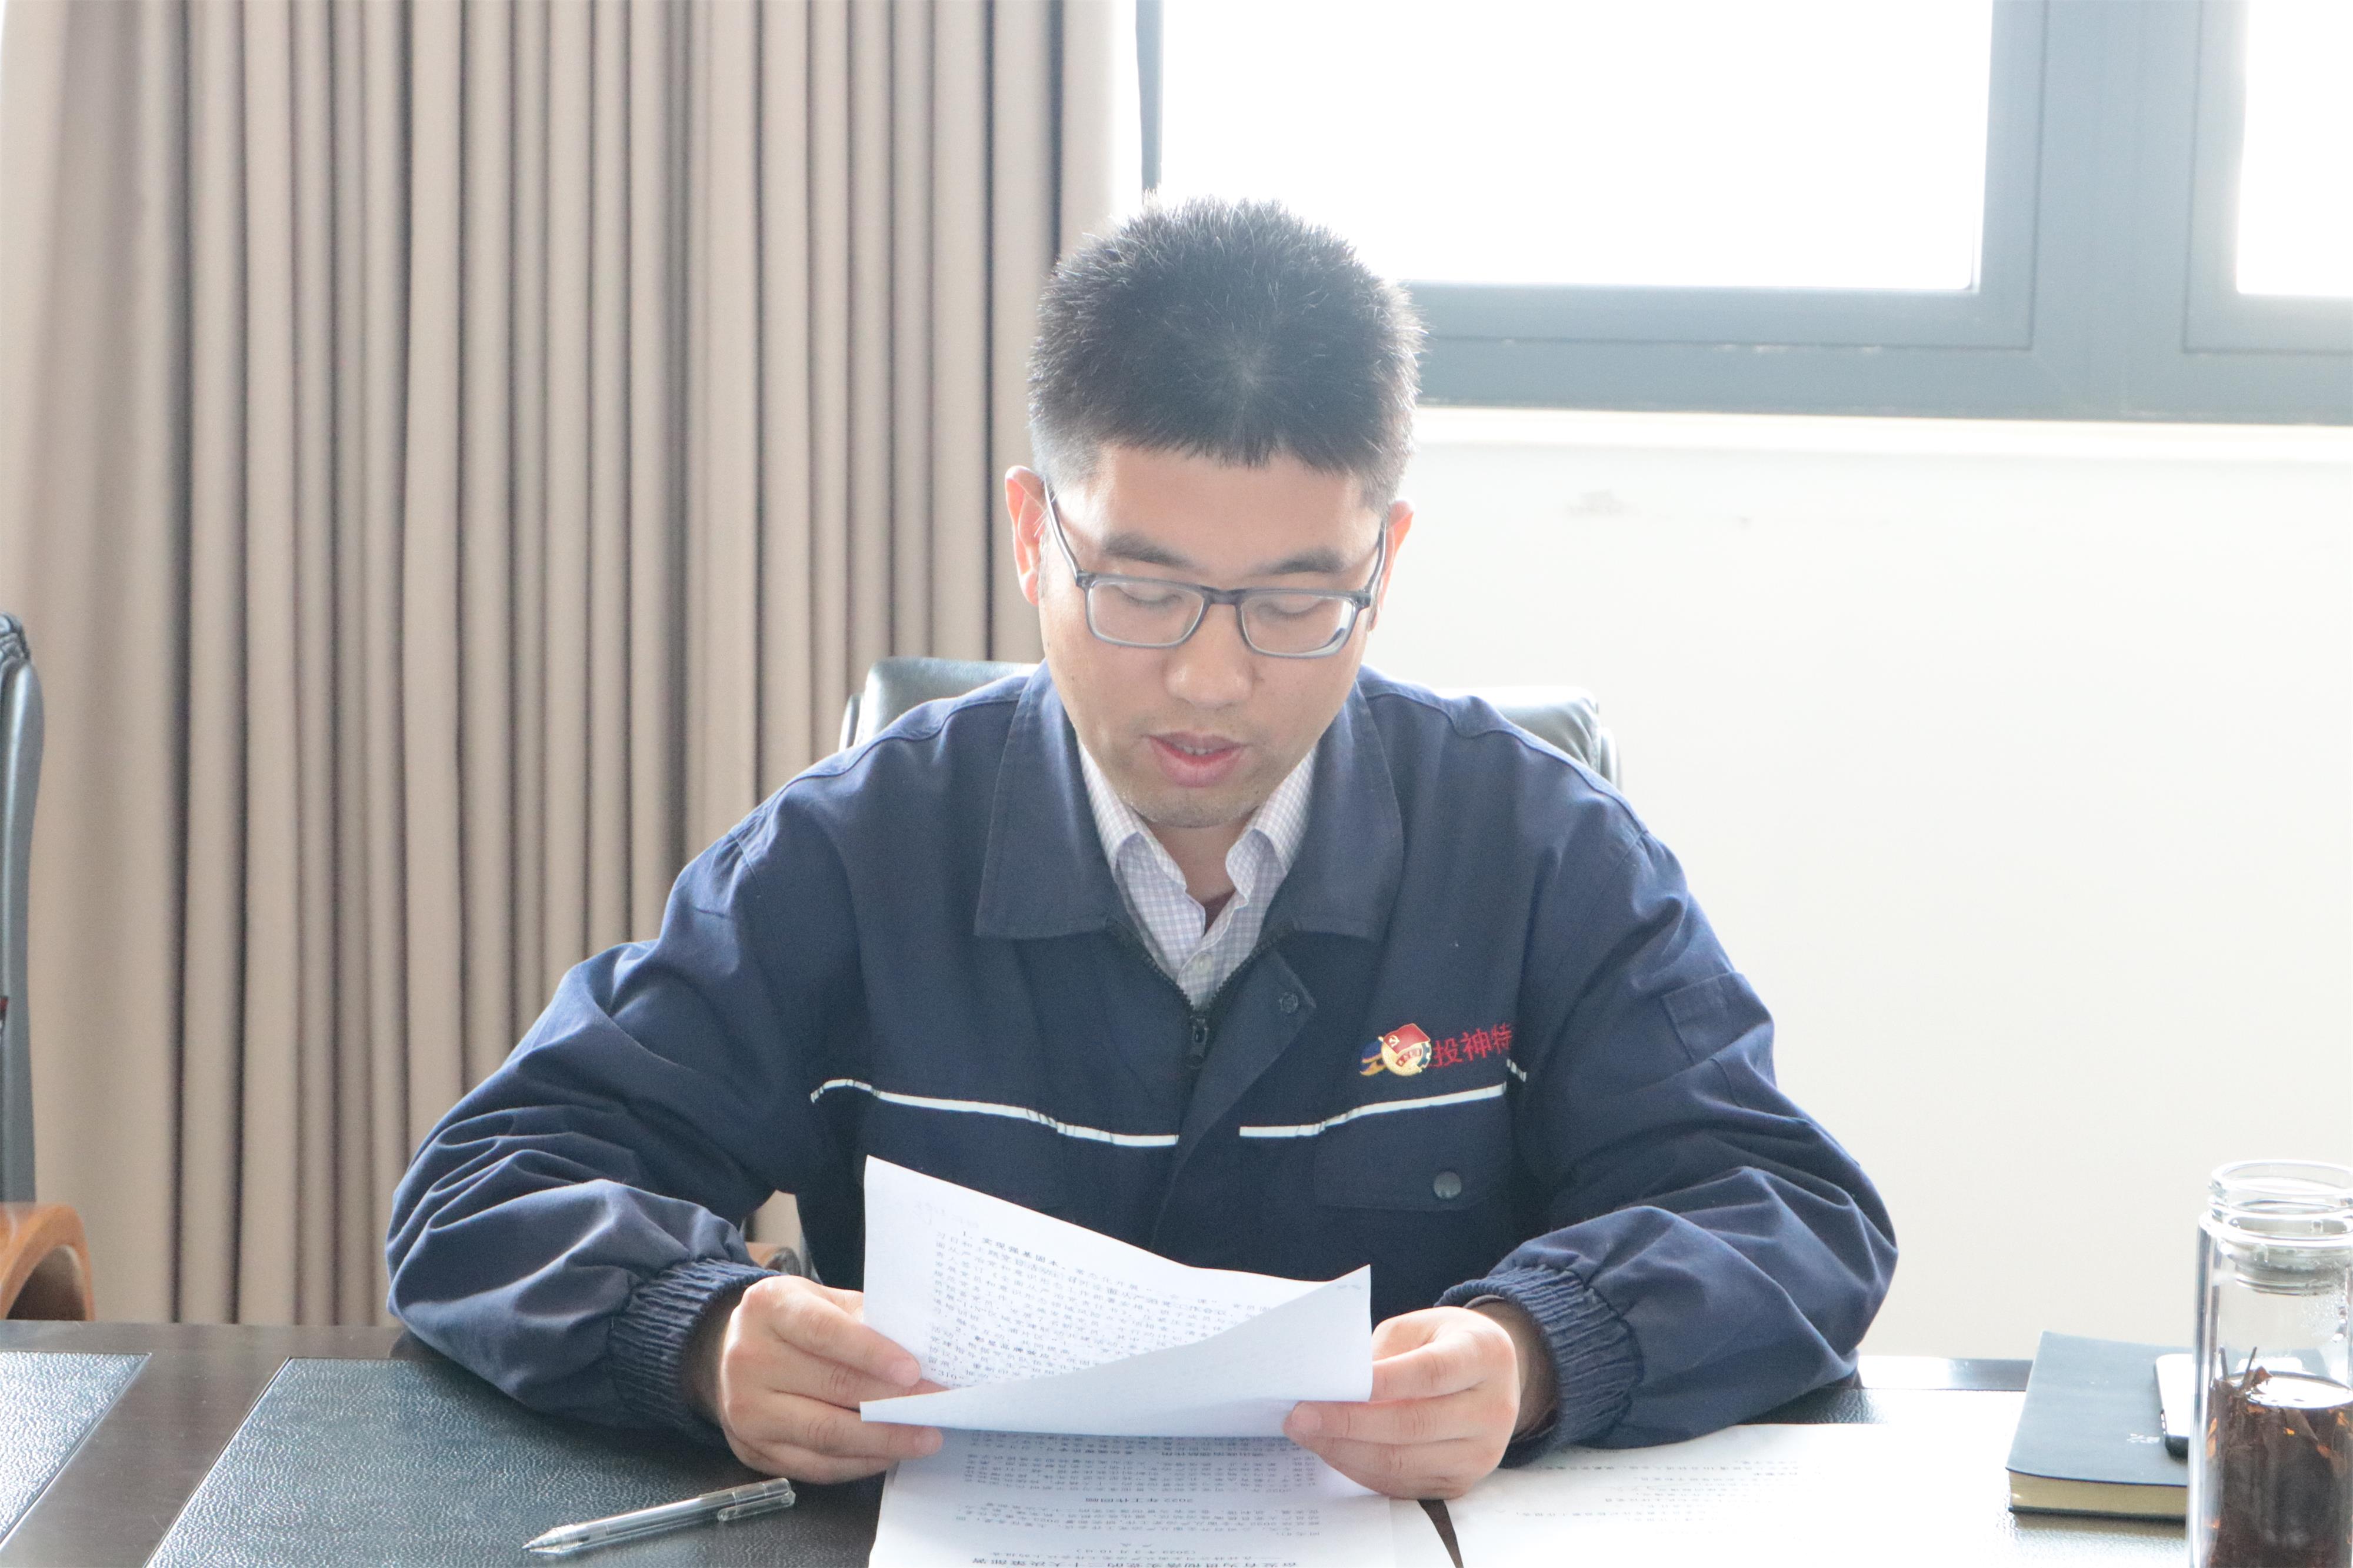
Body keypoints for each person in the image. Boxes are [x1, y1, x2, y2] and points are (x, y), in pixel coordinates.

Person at [386, 198, 1896, 1502]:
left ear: (1383, 565)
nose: (1209, 679)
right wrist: (697, 1330)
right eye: (1142, 588)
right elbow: (486, 1185)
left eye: (1294, 601)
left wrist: (1538, 1350)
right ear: (1031, 537)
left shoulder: (1537, 846)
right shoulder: (855, 848)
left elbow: (1783, 1208)